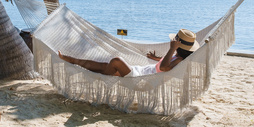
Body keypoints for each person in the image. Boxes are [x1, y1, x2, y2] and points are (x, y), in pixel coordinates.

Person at [58, 28, 200, 77]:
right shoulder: (177, 57)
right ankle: (70, 59)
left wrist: (171, 48)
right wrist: (155, 57)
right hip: (140, 71)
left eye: (175, 41)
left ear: (178, 46)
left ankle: (104, 77)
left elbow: (164, 68)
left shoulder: (179, 60)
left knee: (116, 61)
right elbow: (163, 63)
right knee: (104, 66)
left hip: (141, 78)